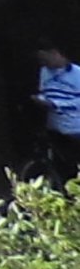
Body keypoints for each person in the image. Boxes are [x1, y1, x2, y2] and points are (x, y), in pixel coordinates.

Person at [33, 43, 80, 186]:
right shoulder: (44, 72)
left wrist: (56, 104)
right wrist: (41, 100)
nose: (44, 63)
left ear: (55, 53)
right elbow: (45, 92)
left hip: (75, 128)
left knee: (75, 164)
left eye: (45, 59)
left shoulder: (77, 74)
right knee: (61, 166)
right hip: (54, 127)